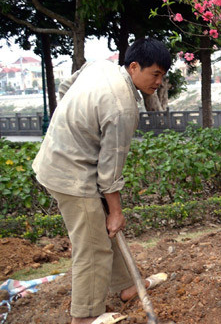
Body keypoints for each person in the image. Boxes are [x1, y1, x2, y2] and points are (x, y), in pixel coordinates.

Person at [33, 38, 172, 324]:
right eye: (154, 74)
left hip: (63, 158)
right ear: (134, 67)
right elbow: (110, 171)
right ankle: (84, 315)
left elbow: (65, 88)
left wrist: (73, 124)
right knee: (93, 243)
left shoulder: (100, 67)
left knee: (101, 228)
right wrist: (116, 212)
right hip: (70, 173)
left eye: (162, 75)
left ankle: (126, 286)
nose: (158, 82)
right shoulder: (122, 108)